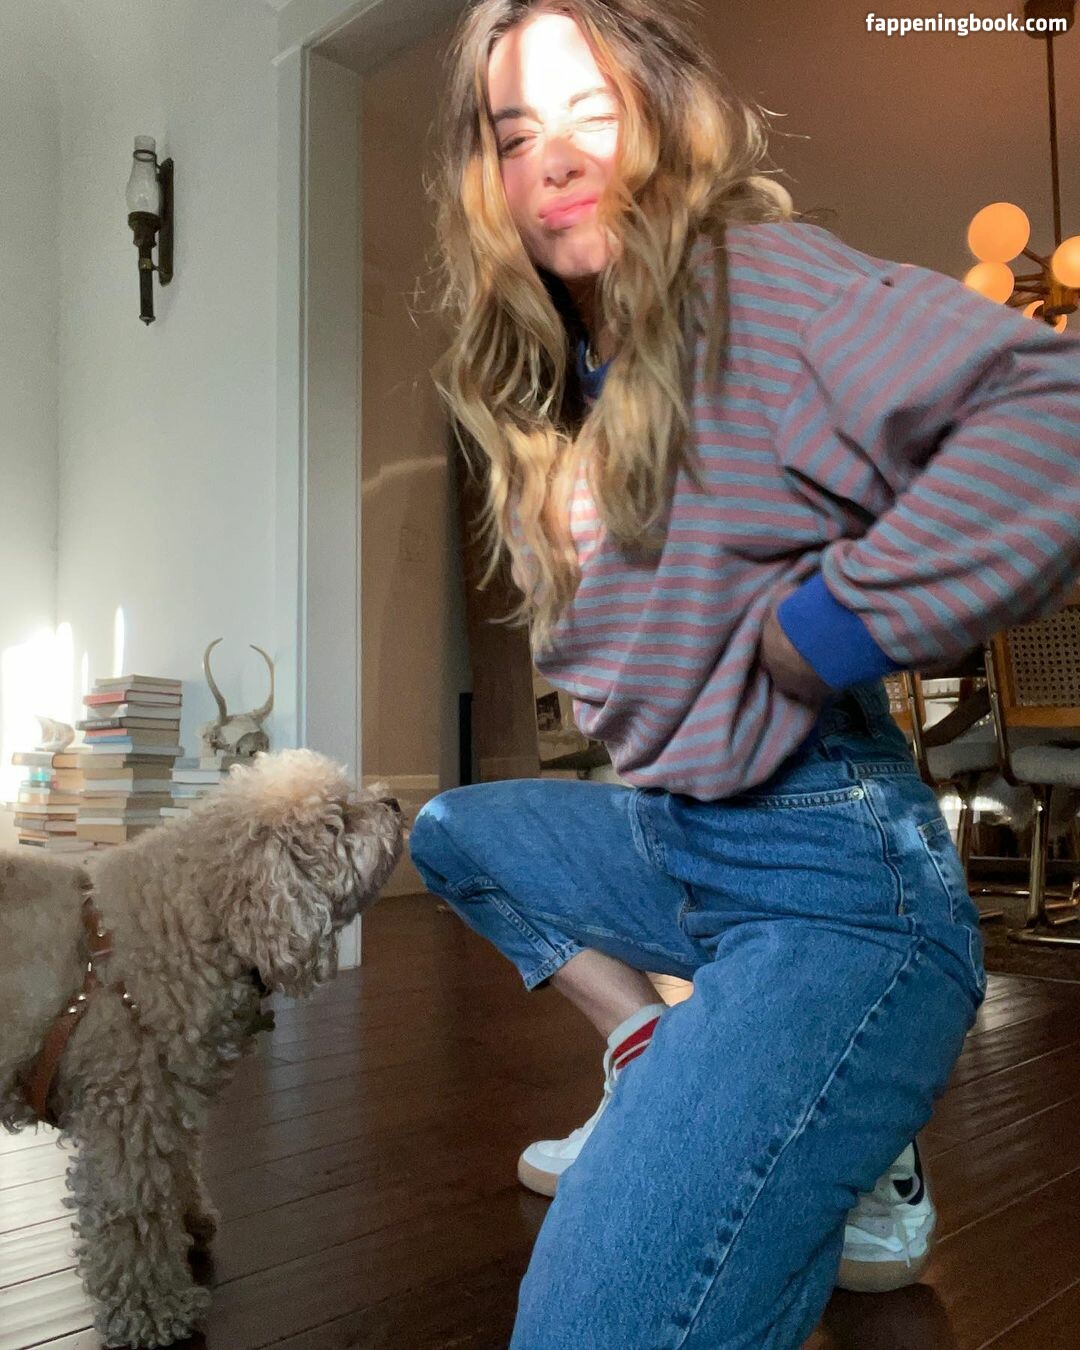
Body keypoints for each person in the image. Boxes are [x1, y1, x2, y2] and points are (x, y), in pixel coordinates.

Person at [408, 1, 1080, 1345]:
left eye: (593, 113)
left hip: (836, 882)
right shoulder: (575, 376)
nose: (555, 156)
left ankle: (816, 1086)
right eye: (515, 133)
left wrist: (829, 624)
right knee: (447, 830)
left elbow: (1054, 416)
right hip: (678, 839)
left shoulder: (748, 285)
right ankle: (658, 1048)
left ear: (663, 124)